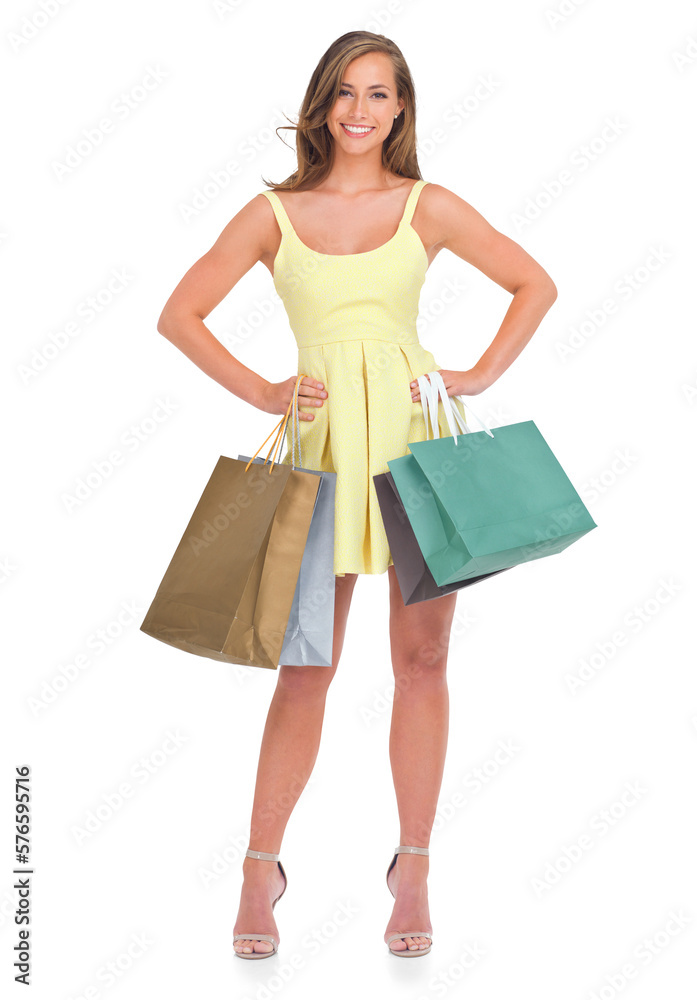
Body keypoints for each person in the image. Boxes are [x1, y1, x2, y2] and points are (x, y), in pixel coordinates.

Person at [156, 30, 557, 959]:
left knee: (420, 665)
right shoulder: (275, 213)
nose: (358, 110)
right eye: (343, 92)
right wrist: (263, 390)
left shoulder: (428, 205)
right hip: (323, 450)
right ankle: (261, 869)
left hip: (417, 450)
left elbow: (533, 283)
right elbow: (178, 313)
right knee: (307, 666)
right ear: (319, 104)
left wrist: (479, 375)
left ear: (401, 109)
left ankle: (411, 866)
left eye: (378, 94)